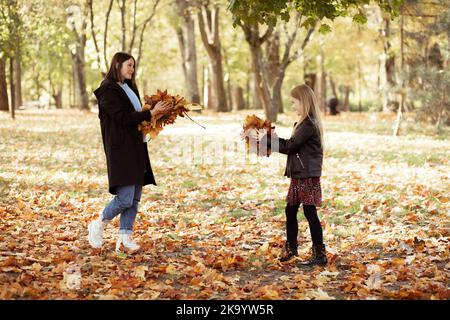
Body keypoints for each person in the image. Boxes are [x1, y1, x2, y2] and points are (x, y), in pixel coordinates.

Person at [88, 52, 172, 253]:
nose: (132, 70)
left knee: (134, 198)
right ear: (117, 65)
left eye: (133, 66)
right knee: (125, 198)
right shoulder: (108, 90)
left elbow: (137, 116)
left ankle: (125, 237)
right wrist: (151, 112)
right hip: (121, 149)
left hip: (136, 147)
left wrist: (156, 114)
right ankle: (98, 223)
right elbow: (123, 118)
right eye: (129, 65)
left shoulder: (129, 87)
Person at [253, 84, 327, 266]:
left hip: (307, 175)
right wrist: (270, 138)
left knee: (309, 212)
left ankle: (320, 254)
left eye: (294, 102)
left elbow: (290, 146)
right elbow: (292, 145)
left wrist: (267, 140)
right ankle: (291, 249)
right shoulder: (303, 123)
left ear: (304, 102)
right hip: (301, 174)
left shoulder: (309, 124)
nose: (293, 106)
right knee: (291, 209)